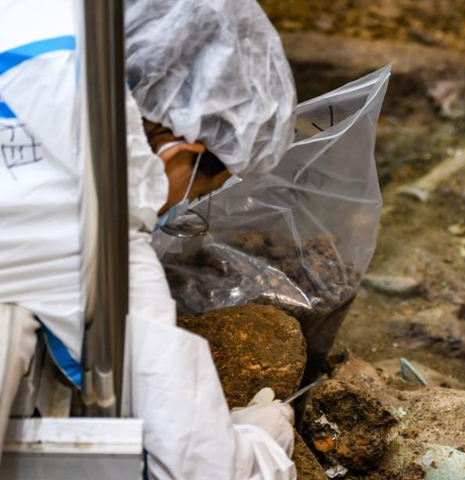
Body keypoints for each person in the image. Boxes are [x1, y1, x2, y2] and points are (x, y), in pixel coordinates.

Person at [0, 0, 298, 478]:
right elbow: (202, 469)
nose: (180, 207)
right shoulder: (102, 217)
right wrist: (261, 439)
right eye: (201, 189)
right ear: (186, 147)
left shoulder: (34, 22)